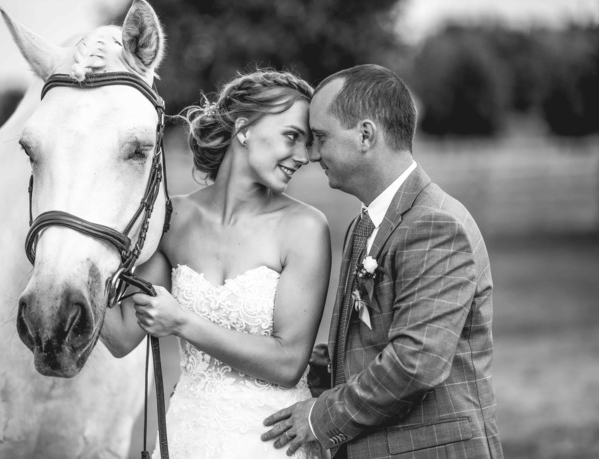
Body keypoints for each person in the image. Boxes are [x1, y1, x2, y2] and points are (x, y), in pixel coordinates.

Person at [262, 64, 504, 458]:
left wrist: (319, 418)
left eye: (321, 137)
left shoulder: (434, 224)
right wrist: (277, 367)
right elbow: (365, 343)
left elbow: (415, 362)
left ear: (365, 135)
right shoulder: (365, 224)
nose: (312, 154)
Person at [100, 69, 331, 459]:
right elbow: (122, 336)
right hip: (187, 438)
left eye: (308, 143)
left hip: (271, 445)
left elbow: (288, 362)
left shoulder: (305, 228)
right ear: (244, 129)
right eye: (292, 136)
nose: (304, 157)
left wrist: (182, 322)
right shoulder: (174, 220)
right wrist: (76, 257)